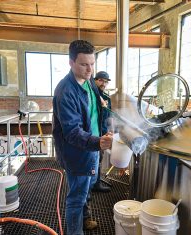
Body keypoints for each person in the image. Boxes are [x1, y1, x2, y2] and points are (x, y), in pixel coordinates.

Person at [52, 40, 113, 235]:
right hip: (77, 152)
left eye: (92, 64)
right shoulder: (65, 91)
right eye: (84, 64)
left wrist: (104, 132)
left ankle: (84, 220)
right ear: (71, 63)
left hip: (92, 147)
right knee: (76, 198)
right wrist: (98, 142)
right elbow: (72, 132)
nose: (89, 69)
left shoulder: (89, 82)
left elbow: (96, 108)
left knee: (86, 190)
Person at [92, 71, 112, 192]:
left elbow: (109, 116)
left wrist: (110, 130)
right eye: (100, 80)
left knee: (99, 159)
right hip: (92, 135)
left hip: (103, 133)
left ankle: (96, 184)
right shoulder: (91, 96)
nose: (103, 83)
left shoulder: (107, 98)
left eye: (105, 81)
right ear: (95, 81)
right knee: (90, 161)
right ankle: (87, 189)